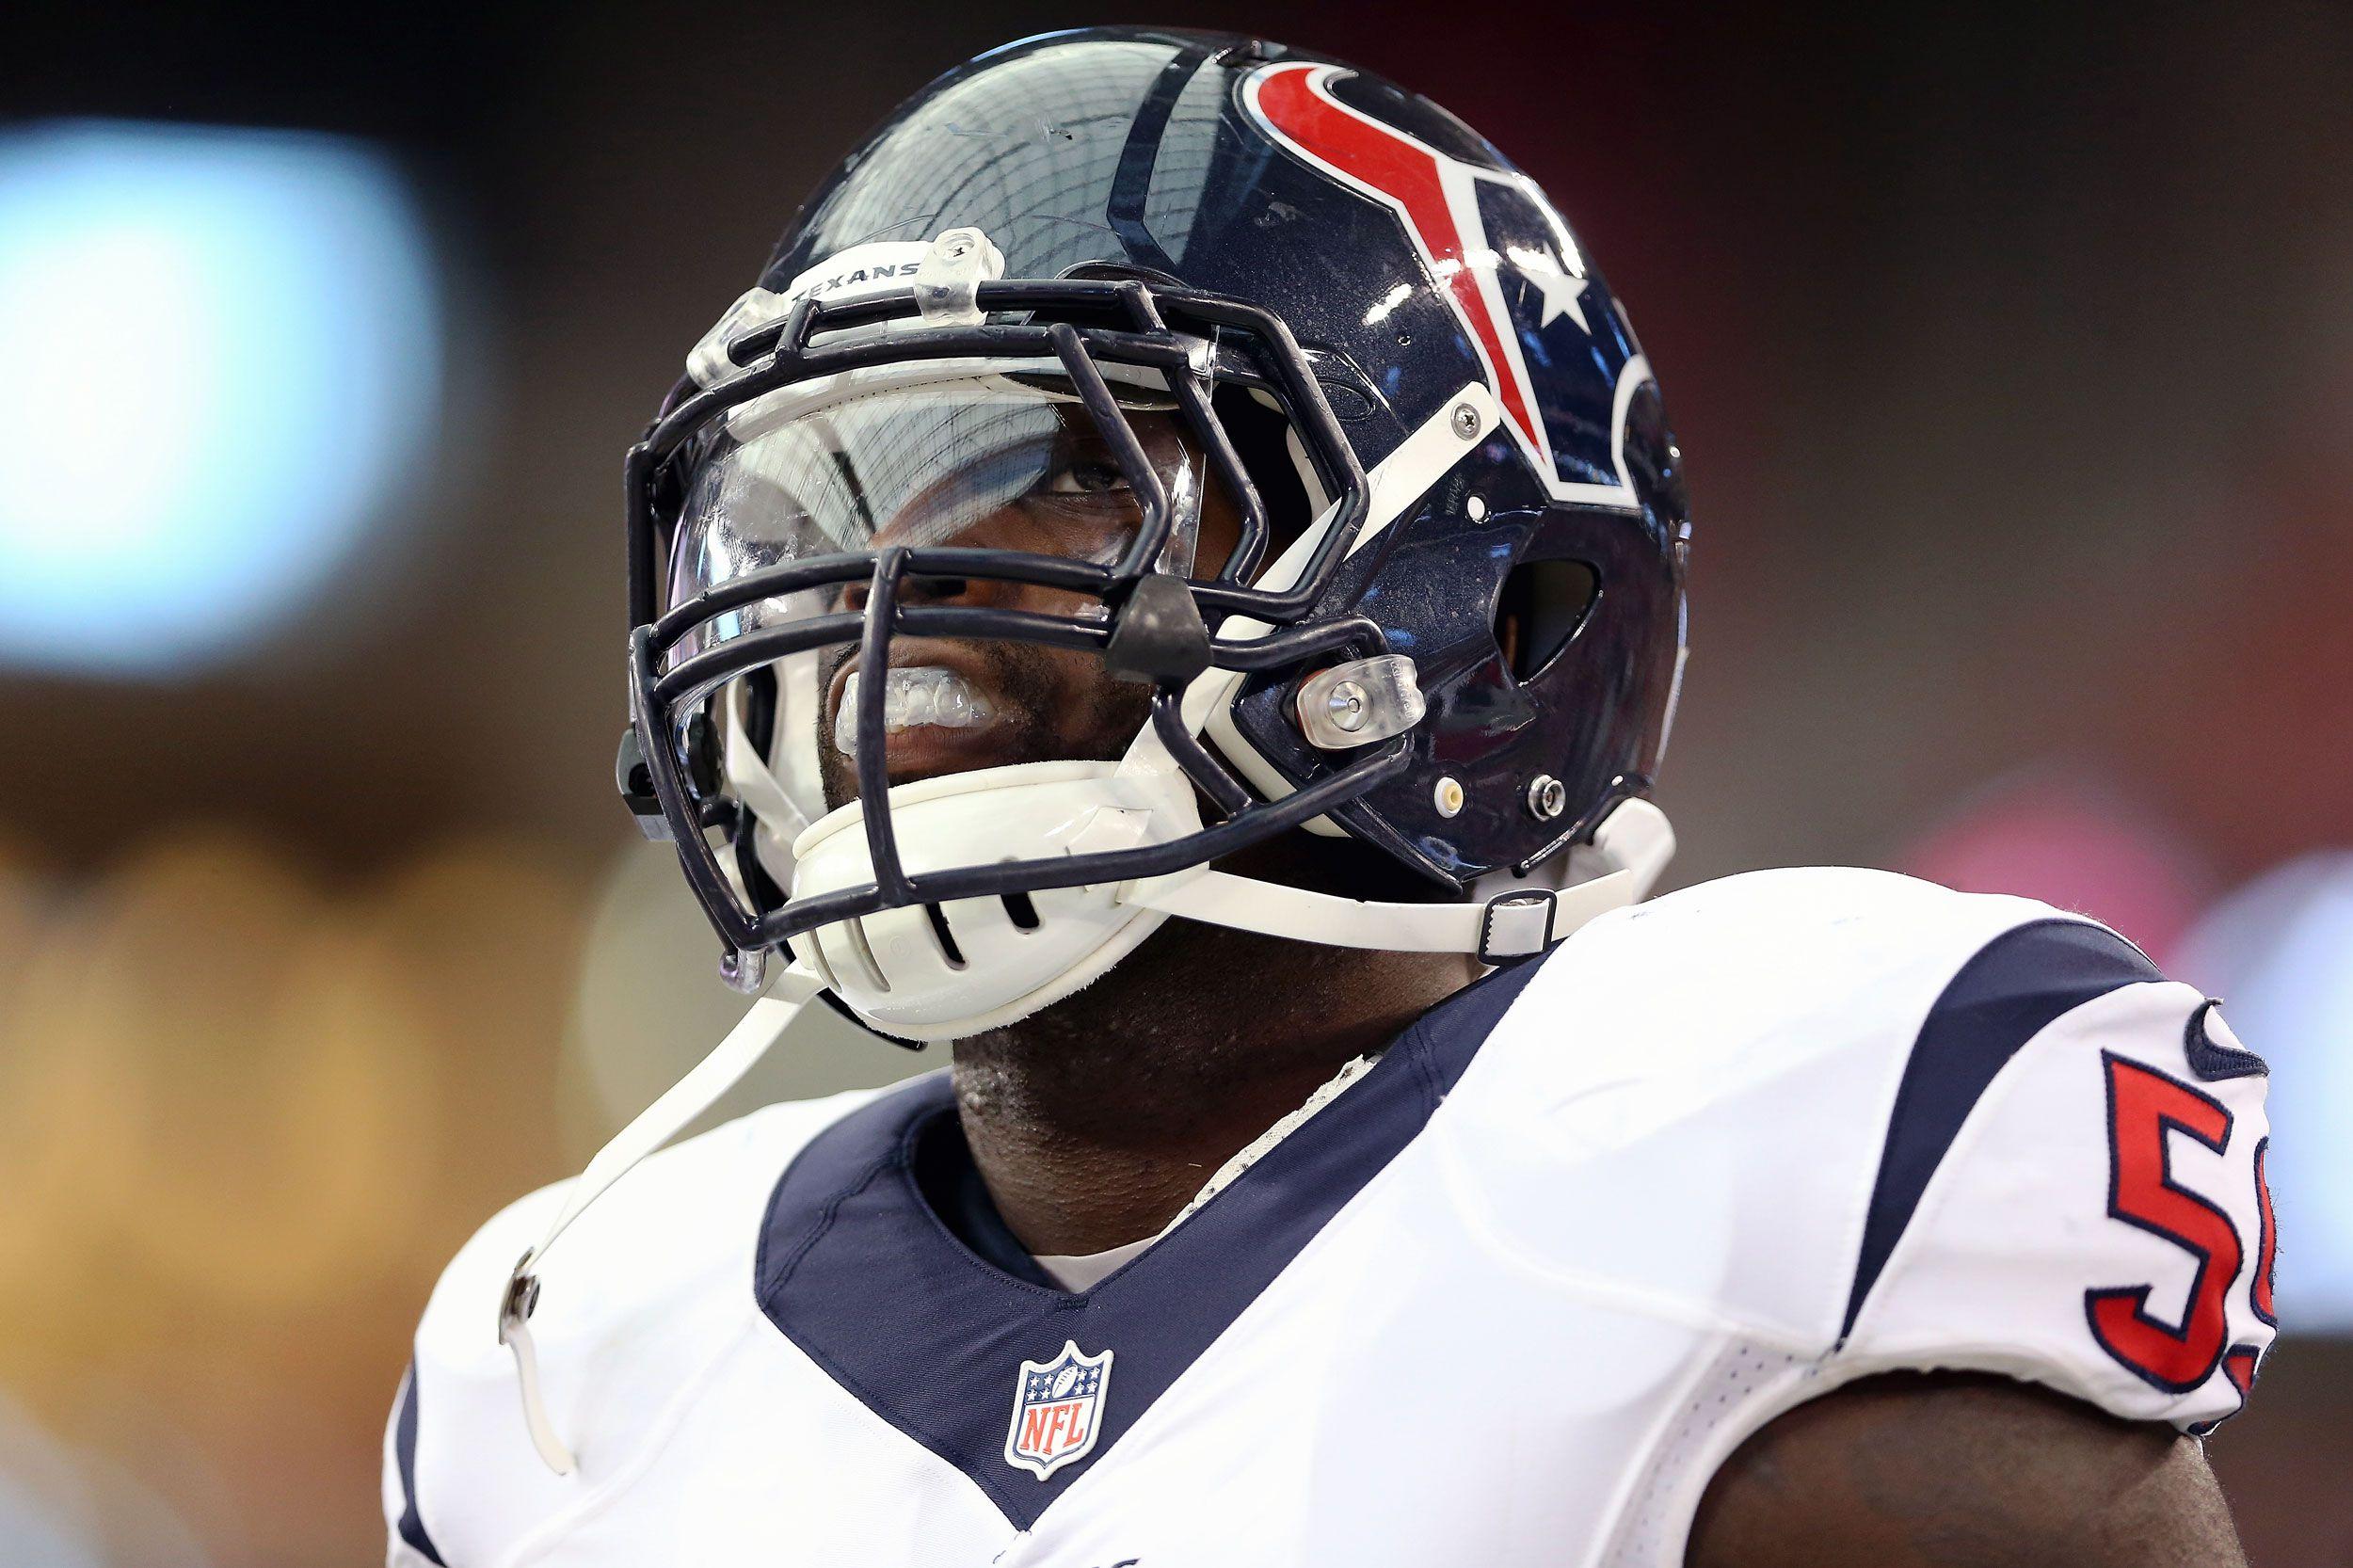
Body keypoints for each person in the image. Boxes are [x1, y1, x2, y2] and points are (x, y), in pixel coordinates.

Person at [385, 27, 2278, 1566]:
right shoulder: (576, 1369)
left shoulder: (1766, 1162)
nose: (906, 596)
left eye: (1078, 474)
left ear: (1502, 604)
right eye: (834, 509)